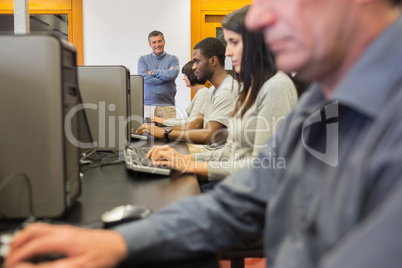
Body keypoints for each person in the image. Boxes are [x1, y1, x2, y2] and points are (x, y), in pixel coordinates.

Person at [6, 1, 402, 268]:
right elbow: (240, 200)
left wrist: (188, 158)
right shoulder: (321, 100)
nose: (260, 20)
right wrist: (119, 242)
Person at [147, 6, 298, 187]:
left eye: (234, 42)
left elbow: (263, 167)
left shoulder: (276, 87)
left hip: (248, 196)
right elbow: (229, 152)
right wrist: (184, 158)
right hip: (233, 183)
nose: (227, 52)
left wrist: (189, 163)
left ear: (255, 43)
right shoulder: (246, 88)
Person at [136, 37, 237, 148]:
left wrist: (164, 133)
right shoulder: (212, 90)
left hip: (217, 158)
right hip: (209, 153)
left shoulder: (227, 90)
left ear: (213, 61)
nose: (193, 67)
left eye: (197, 61)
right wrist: (160, 130)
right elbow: (196, 123)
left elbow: (208, 135)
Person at [151, 60, 209, 127]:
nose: (183, 78)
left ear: (193, 75)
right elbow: (188, 119)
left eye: (186, 75)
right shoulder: (201, 92)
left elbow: (192, 122)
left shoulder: (202, 93)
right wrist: (164, 120)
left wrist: (164, 121)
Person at [138, 30, 179, 119]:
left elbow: (173, 74)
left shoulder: (173, 59)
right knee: (148, 132)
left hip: (168, 105)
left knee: (170, 132)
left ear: (164, 42)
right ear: (150, 44)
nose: (157, 45)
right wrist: (165, 76)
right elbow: (144, 78)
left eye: (159, 41)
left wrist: (152, 72)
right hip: (148, 106)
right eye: (154, 42)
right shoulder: (143, 60)